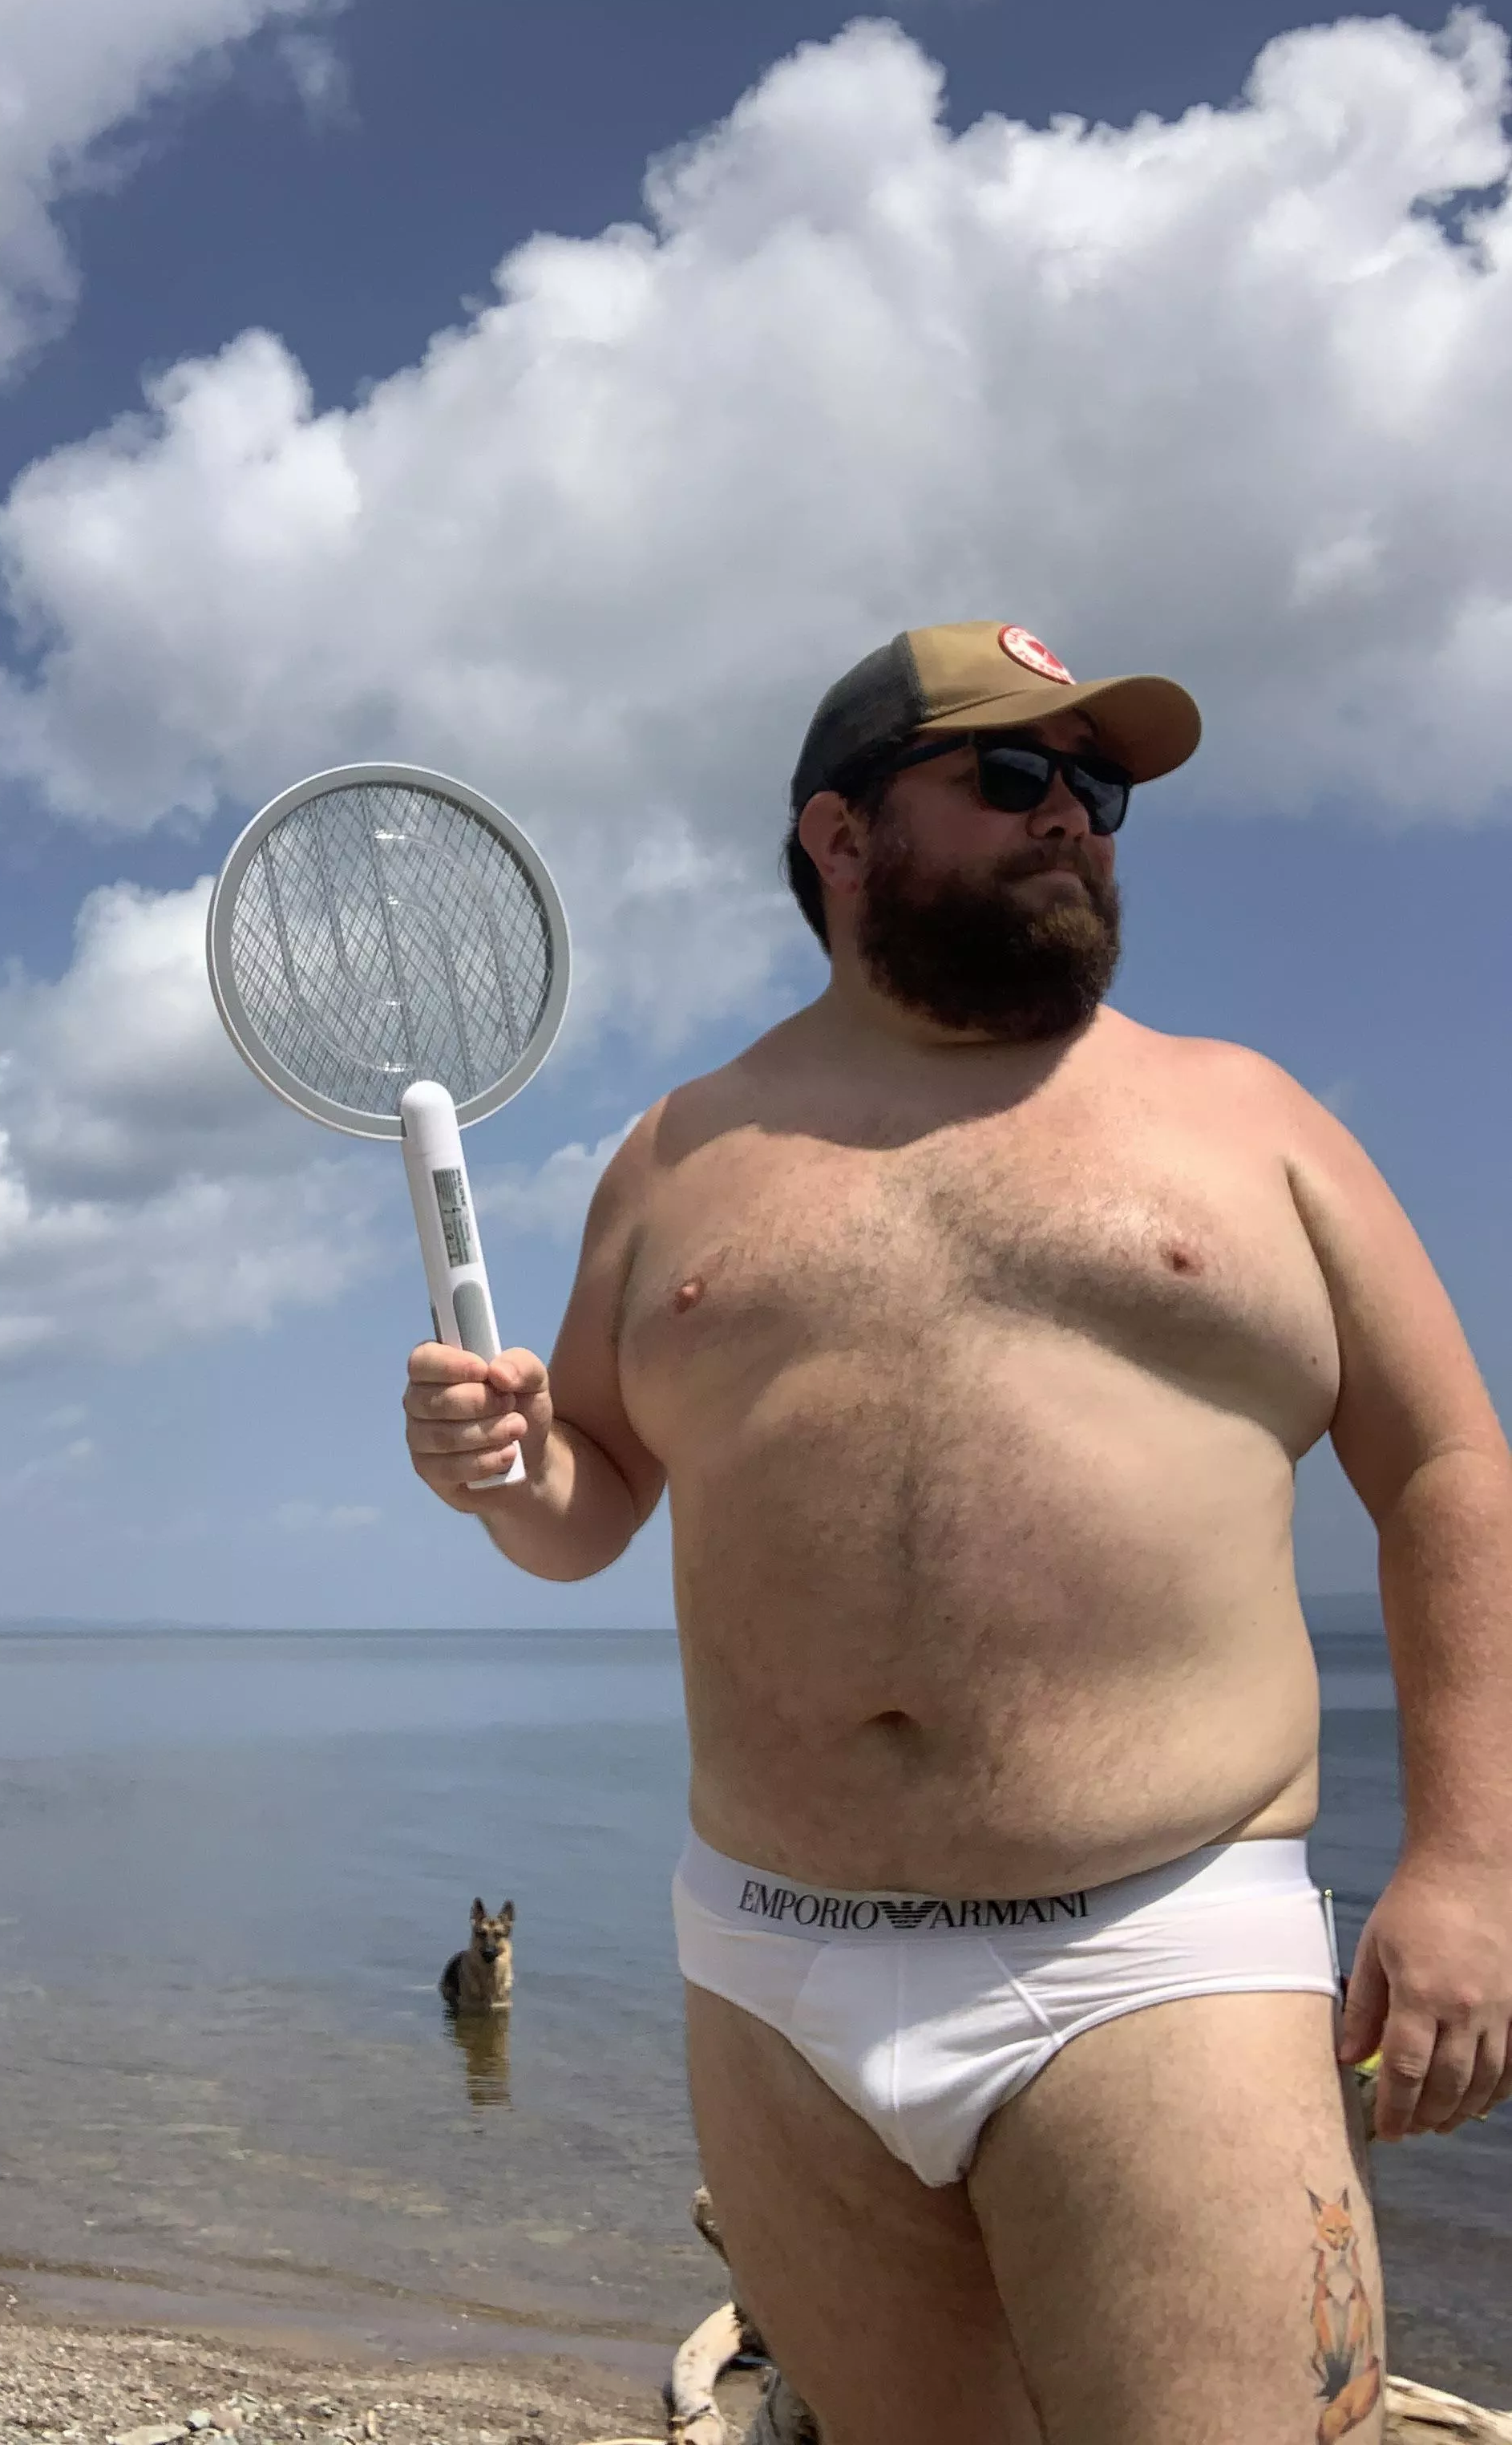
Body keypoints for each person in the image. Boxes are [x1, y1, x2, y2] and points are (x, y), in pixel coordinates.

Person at [400, 619, 1512, 2443]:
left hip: (1158, 1943)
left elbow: (1450, 1463)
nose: (1076, 818)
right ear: (839, 837)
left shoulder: (1251, 1120)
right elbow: (584, 1499)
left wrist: (1469, 1858)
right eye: (1017, 776)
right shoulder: (681, 1151)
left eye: (1102, 788)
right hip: (770, 1964)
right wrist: (499, 1469)